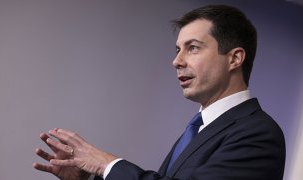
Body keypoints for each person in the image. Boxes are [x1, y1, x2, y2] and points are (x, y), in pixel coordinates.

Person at [33, 4, 286, 180]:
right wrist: (89, 178)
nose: (177, 61)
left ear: (234, 59)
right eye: (178, 50)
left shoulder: (259, 134)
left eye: (193, 48)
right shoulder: (199, 128)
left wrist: (107, 165)